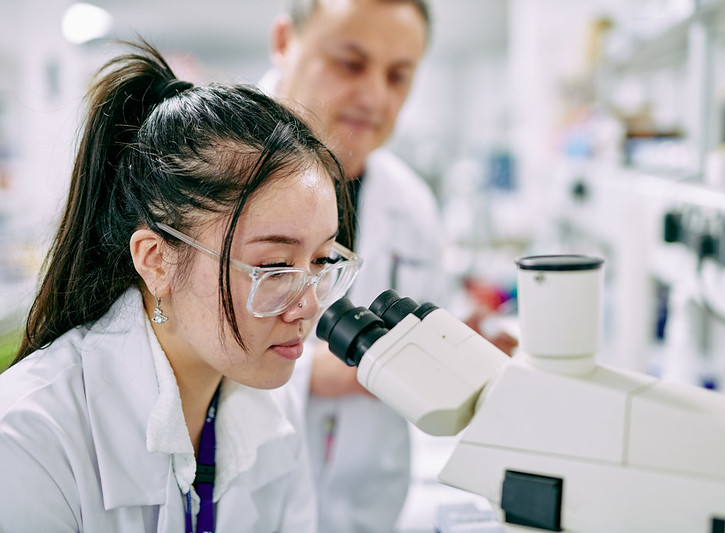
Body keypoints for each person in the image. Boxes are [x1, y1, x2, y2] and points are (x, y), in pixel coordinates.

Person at [0, 41, 362, 533]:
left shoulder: (273, 411)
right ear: (156, 261)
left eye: (321, 260)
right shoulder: (29, 437)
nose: (308, 304)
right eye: (275, 266)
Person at [262, 1, 517, 531]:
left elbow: (432, 320)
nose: (375, 97)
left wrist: (465, 342)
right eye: (350, 64)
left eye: (398, 76)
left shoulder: (411, 203)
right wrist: (330, 372)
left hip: (369, 508)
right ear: (285, 41)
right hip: (250, 499)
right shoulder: (213, 182)